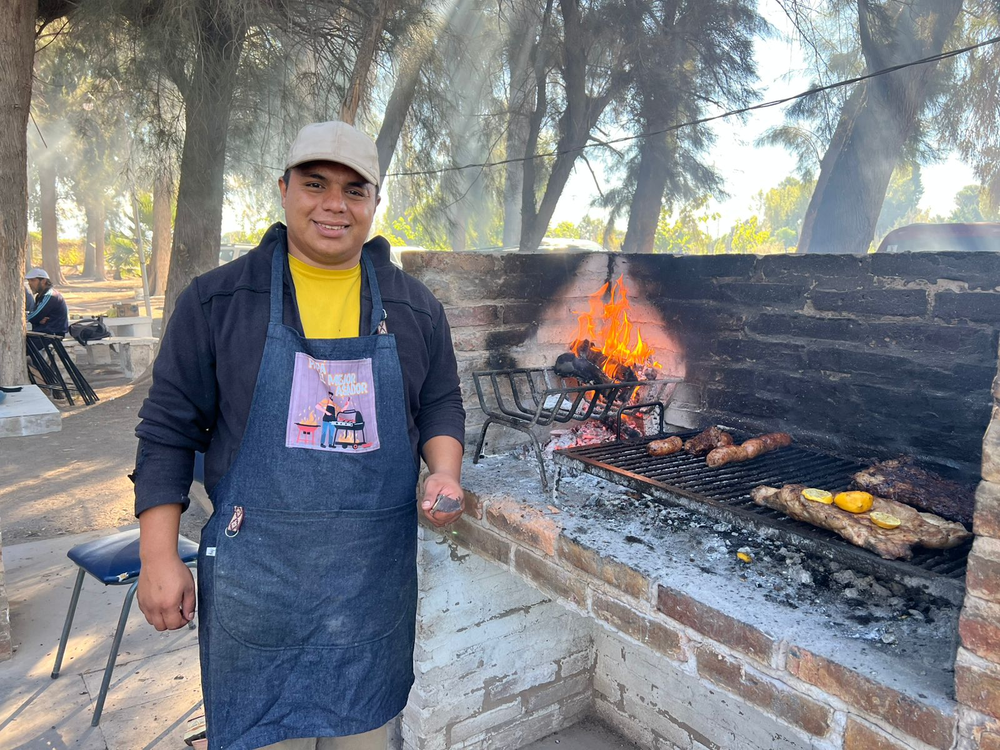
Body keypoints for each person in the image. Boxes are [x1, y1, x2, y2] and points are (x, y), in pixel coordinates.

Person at [132, 120, 466, 750]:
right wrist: (158, 556)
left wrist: (444, 470)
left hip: (369, 583)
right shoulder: (217, 301)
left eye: (354, 190)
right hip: (259, 582)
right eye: (315, 184)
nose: (334, 204)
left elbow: (440, 402)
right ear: (284, 190)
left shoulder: (416, 308)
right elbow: (168, 430)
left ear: (374, 203)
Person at [25, 268, 69, 337]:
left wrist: (33, 317)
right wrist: (38, 319)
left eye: (33, 280)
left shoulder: (49, 295)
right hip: (44, 332)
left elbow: (34, 316)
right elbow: (35, 316)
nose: (30, 283)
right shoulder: (40, 296)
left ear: (43, 281)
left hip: (52, 335)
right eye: (28, 281)